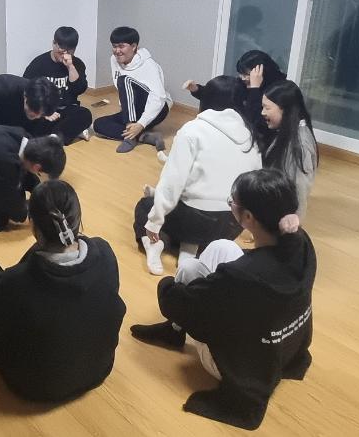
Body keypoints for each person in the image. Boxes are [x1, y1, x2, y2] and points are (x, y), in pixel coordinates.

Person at [130, 169, 316, 430]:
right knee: (221, 247)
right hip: (285, 350)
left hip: (241, 367)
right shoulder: (301, 244)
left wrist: (167, 284)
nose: (231, 206)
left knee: (189, 270)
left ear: (248, 217)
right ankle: (175, 329)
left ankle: (174, 331)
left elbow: (177, 303)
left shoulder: (241, 277)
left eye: (233, 203)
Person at [0, 180, 126, 402]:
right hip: (98, 369)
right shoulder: (104, 251)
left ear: (33, 225)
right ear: (77, 218)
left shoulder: (17, 282)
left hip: (37, 387)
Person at [134, 76, 261, 275]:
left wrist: (154, 221)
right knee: (194, 206)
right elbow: (256, 182)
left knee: (145, 206)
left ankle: (155, 246)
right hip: (233, 224)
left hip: (195, 220)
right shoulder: (250, 134)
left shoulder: (192, 130)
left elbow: (172, 182)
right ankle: (189, 250)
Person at [93, 26, 172, 153]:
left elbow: (159, 98)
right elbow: (124, 92)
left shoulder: (149, 65)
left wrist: (141, 124)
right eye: (114, 46)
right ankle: (143, 136)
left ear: (134, 46)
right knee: (98, 124)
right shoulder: (114, 60)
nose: (117, 51)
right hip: (133, 110)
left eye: (121, 46)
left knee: (124, 80)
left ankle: (130, 135)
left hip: (158, 110)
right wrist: (126, 113)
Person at [22, 26, 94, 144]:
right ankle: (67, 133)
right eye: (61, 49)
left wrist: (70, 67)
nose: (64, 53)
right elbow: (26, 90)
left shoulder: (77, 64)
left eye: (69, 50)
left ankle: (55, 138)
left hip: (66, 109)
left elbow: (79, 89)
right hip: (44, 111)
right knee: (31, 122)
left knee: (84, 114)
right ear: (54, 43)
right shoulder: (39, 64)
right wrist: (43, 113)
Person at [260, 80, 319, 222]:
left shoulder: (300, 145)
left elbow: (300, 190)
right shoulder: (286, 133)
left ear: (285, 109)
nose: (262, 112)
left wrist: (293, 224)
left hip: (283, 217)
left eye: (267, 108)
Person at [183, 50, 287, 129]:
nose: (242, 78)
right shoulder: (244, 82)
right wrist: (197, 89)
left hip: (259, 135)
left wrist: (254, 88)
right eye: (241, 73)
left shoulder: (278, 90)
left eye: (246, 74)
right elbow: (222, 94)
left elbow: (256, 121)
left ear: (260, 73)